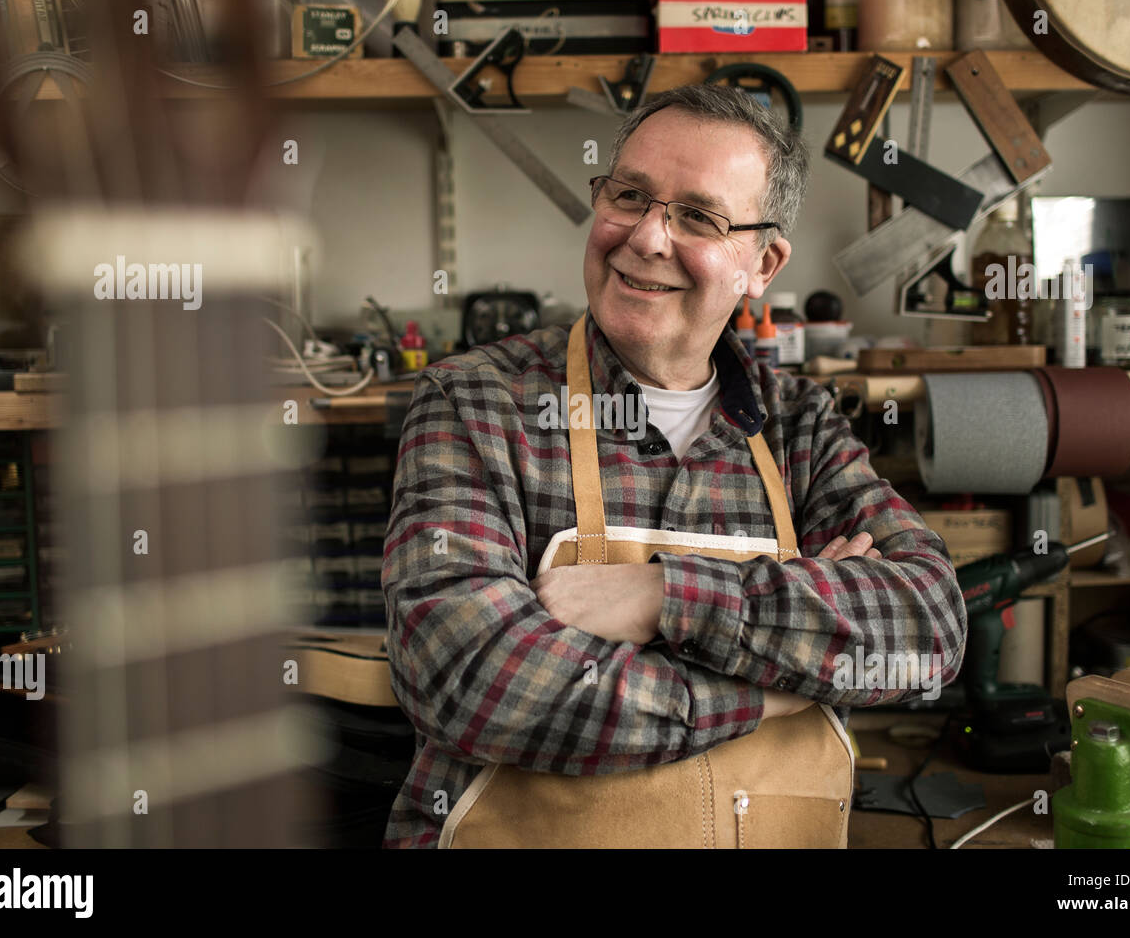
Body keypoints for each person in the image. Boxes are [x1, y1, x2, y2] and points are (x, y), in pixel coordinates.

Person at [380, 84, 968, 848]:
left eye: (698, 216)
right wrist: (776, 691)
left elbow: (928, 628)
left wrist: (663, 596)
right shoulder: (474, 406)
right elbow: (472, 680)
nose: (648, 237)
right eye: (630, 195)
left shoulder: (800, 429)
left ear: (763, 263)